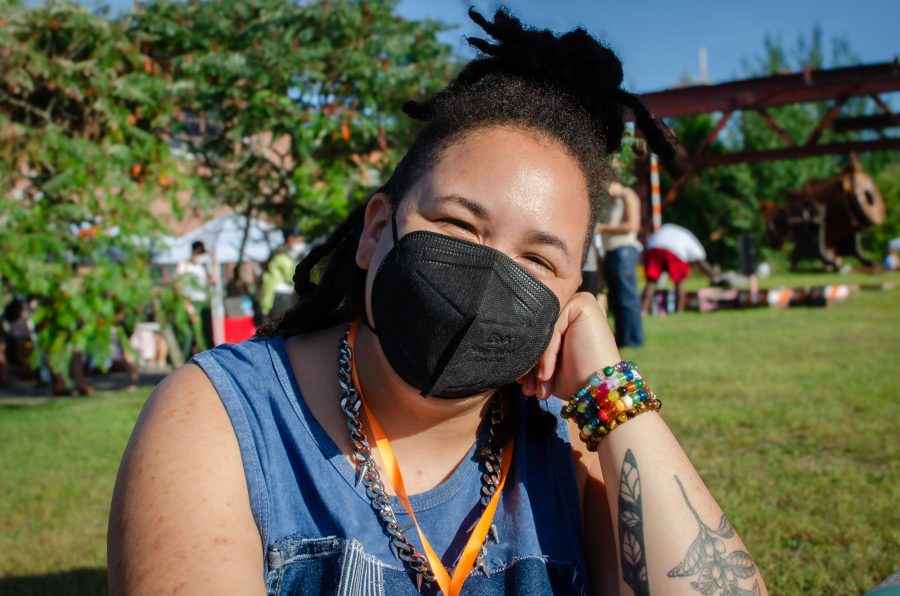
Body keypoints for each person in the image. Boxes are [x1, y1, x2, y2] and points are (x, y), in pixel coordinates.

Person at [109, 10, 767, 596]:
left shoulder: (576, 459)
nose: (489, 276)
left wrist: (608, 389)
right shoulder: (223, 418)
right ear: (374, 232)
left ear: (572, 302)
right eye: (457, 225)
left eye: (539, 261)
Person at [598, 180, 643, 347]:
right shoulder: (613, 201)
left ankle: (633, 340)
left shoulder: (627, 195)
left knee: (627, 297)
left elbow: (633, 225)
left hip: (623, 250)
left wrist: (603, 228)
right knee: (617, 298)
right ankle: (622, 339)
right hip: (611, 251)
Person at [642, 223, 719, 315]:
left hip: (654, 247)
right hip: (674, 250)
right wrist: (712, 274)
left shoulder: (669, 230)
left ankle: (643, 310)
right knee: (679, 282)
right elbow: (701, 261)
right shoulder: (691, 239)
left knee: (651, 282)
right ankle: (680, 311)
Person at [260, 226, 308, 320]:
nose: (301, 244)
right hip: (281, 298)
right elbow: (292, 277)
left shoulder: (283, 254)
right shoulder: (281, 257)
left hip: (281, 297)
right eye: (299, 241)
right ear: (290, 239)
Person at [175, 240, 214, 353]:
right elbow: (178, 287)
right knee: (193, 334)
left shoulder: (203, 267)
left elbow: (212, 281)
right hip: (190, 302)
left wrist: (213, 263)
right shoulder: (184, 266)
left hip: (203, 303)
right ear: (194, 252)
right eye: (199, 253)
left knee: (206, 334)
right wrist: (188, 307)